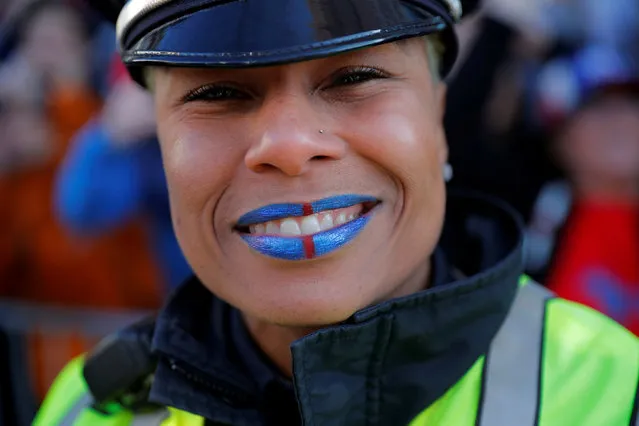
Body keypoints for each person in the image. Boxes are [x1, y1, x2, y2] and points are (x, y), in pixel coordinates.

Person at [35, 1, 639, 425]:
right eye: (217, 92)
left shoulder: (622, 392)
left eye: (357, 76)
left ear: (439, 119)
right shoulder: (87, 409)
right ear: (160, 143)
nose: (291, 145)